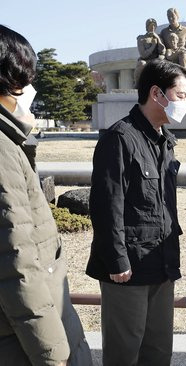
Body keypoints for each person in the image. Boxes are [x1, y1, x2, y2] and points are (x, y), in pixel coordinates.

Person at [86, 59, 186, 366]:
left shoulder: (164, 142)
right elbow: (107, 205)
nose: (184, 103)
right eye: (181, 95)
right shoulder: (120, 138)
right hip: (127, 270)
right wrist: (117, 260)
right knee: (125, 352)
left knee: (158, 351)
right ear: (157, 94)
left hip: (161, 264)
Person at [0, 25, 92, 366]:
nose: (29, 89)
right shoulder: (2, 152)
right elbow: (17, 264)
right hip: (22, 343)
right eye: (24, 78)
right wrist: (53, 355)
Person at [134, 18, 166, 84]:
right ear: (147, 27)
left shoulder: (159, 37)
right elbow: (143, 55)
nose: (153, 28)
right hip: (146, 60)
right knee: (141, 64)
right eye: (151, 26)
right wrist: (153, 45)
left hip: (156, 59)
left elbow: (163, 51)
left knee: (160, 62)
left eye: (154, 26)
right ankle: (138, 84)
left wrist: (158, 39)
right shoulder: (141, 38)